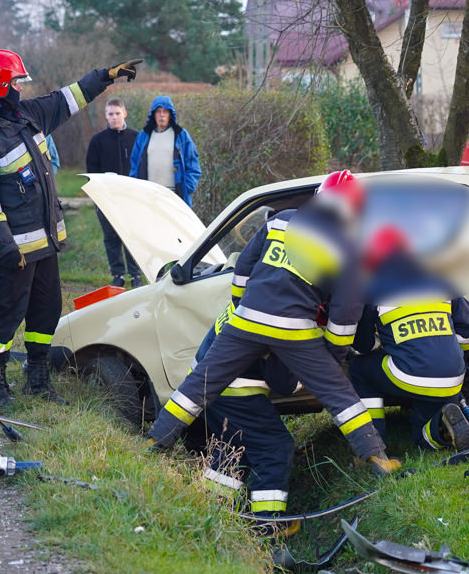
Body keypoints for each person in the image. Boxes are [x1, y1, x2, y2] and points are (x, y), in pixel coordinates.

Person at [147, 170, 400, 477]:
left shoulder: (281, 220)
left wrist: (244, 308)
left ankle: (155, 444)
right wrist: (331, 359)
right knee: (340, 395)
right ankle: (376, 458)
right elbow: (345, 315)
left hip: (246, 320)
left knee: (200, 382)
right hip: (294, 329)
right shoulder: (350, 248)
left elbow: (242, 269)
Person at [0, 48, 141, 408]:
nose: (20, 88)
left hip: (46, 243)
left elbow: (67, 98)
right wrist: (4, 245)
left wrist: (104, 76)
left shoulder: (26, 115)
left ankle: (37, 378)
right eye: (15, 82)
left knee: (46, 310)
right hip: (18, 249)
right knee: (9, 312)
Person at [349, 226, 469, 452]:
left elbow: (362, 346)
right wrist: (439, 344)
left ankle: (374, 444)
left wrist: (384, 344)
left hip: (411, 375)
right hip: (454, 375)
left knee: (359, 369)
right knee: (422, 433)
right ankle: (440, 426)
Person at [191, 302, 300, 535]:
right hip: (233, 388)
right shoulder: (279, 310)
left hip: (204, 380)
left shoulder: (261, 291)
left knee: (236, 445)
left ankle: (210, 512)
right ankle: (268, 525)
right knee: (274, 448)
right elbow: (283, 383)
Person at [86, 97, 143, 288]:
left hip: (131, 199)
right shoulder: (97, 141)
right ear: (105, 116)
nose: (114, 117)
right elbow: (91, 171)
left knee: (132, 237)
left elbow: (143, 168)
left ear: (124, 113)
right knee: (111, 238)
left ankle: (136, 275)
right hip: (106, 199)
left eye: (118, 113)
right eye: (110, 114)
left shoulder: (137, 138)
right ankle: (118, 274)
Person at [129, 95, 201, 207]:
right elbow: (134, 165)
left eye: (165, 111)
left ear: (170, 115)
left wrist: (186, 188)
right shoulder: (143, 136)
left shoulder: (181, 135)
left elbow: (193, 165)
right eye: (158, 111)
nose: (162, 115)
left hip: (175, 197)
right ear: (153, 114)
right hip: (149, 196)